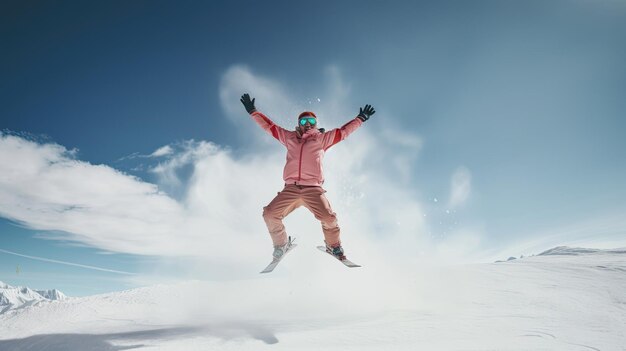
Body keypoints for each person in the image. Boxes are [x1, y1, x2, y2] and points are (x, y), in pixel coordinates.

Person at [240, 93, 375, 261]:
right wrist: (253, 111)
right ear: (299, 124)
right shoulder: (289, 137)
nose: (307, 124)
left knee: (329, 217)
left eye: (311, 121)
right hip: (291, 188)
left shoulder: (322, 139)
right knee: (269, 214)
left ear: (316, 124)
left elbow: (343, 132)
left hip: (313, 189)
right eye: (303, 121)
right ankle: (281, 245)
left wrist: (360, 118)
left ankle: (333, 246)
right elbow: (270, 127)